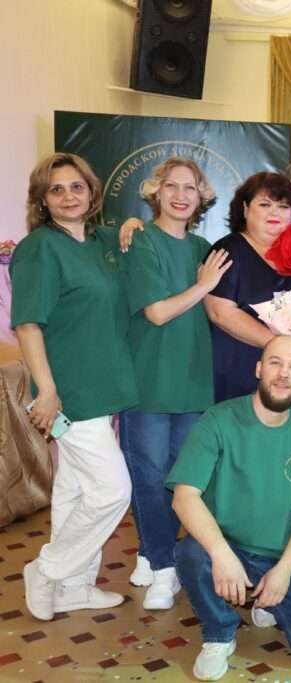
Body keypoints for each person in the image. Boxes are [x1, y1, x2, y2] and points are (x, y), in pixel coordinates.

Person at [168, 336, 291, 681]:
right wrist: (221, 553)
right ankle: (219, 632)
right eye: (275, 363)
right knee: (190, 553)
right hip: (227, 546)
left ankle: (268, 598)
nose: (283, 374)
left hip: (280, 557)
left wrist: (285, 569)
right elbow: (184, 497)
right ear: (259, 368)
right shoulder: (218, 420)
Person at [14, 153, 137, 621]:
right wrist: (46, 390)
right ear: (43, 200)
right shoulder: (39, 248)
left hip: (105, 386)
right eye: (57, 189)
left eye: (77, 186)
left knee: (75, 490)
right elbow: (28, 324)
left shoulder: (102, 240)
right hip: (69, 394)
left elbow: (132, 238)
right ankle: (47, 571)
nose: (69, 196)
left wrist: (133, 224)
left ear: (92, 192)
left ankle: (73, 587)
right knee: (111, 491)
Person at [119, 157, 230, 610]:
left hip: (194, 382)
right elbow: (158, 312)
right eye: (172, 186)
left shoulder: (204, 247)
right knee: (148, 476)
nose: (181, 195)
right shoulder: (142, 241)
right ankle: (165, 567)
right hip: (149, 380)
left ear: (202, 197)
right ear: (156, 192)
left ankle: (151, 552)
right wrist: (204, 285)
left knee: (180, 480)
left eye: (190, 187)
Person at [204, 172, 291, 403]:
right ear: (245, 209)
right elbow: (220, 312)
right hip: (239, 373)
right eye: (265, 204)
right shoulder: (228, 250)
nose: (275, 212)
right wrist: (281, 346)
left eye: (283, 206)